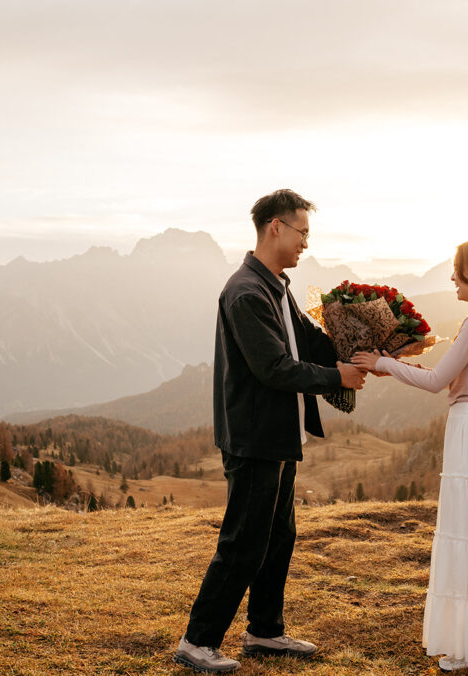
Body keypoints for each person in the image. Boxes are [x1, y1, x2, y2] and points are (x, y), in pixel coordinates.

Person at [174, 189, 367, 673]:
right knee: (243, 542)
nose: (306, 243)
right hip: (255, 438)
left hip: (280, 437)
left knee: (279, 537)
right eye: (302, 232)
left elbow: (308, 340)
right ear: (275, 227)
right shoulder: (245, 293)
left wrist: (364, 351)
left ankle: (264, 631)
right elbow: (275, 368)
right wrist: (336, 378)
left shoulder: (276, 285)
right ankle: (197, 642)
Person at [353, 235, 468, 672]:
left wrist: (382, 363)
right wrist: (397, 361)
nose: (451, 276)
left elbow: (435, 385)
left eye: (458, 268)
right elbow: (448, 377)